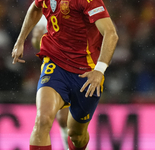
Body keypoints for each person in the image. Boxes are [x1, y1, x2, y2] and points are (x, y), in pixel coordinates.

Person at [12, 0, 118, 149]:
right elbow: (35, 8)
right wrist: (21, 39)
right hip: (55, 64)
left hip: (85, 73)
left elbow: (111, 34)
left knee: (77, 135)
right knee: (43, 119)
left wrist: (99, 70)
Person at [32, 15, 69, 150]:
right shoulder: (47, 8)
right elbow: (36, 42)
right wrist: (39, 38)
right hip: (55, 68)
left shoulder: (84, 5)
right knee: (57, 119)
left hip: (82, 65)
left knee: (73, 125)